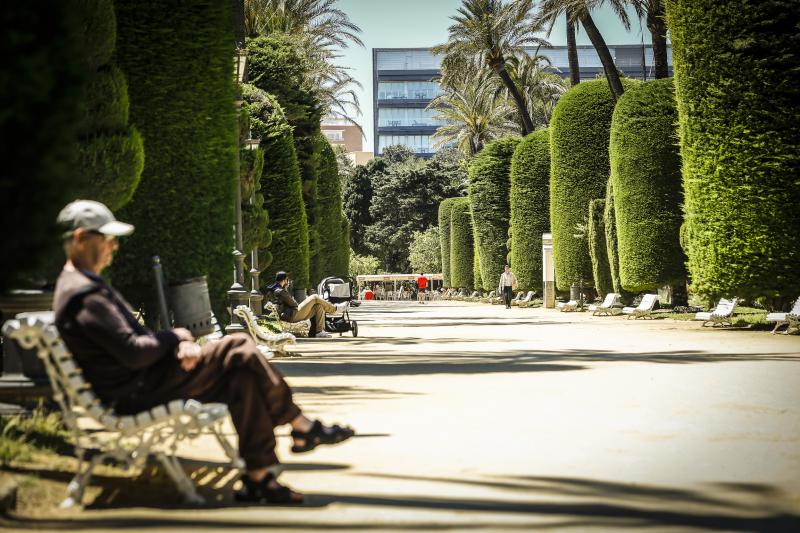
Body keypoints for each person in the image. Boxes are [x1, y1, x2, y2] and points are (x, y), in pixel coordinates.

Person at [52, 200, 354, 505]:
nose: (113, 246)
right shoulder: (83, 296)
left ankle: (259, 478)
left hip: (144, 381)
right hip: (136, 390)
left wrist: (177, 342)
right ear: (80, 239)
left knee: (241, 379)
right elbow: (134, 353)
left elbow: (134, 345)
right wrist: (178, 335)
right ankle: (301, 426)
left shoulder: (83, 286)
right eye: (106, 239)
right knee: (238, 347)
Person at [266, 272, 347, 338]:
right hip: (292, 315)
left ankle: (319, 332)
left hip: (290, 314)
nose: (288, 282)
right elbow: (294, 304)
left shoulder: (275, 289)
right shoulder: (280, 291)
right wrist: (286, 290)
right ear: (284, 280)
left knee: (318, 306)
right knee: (314, 297)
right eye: (287, 280)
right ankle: (335, 309)